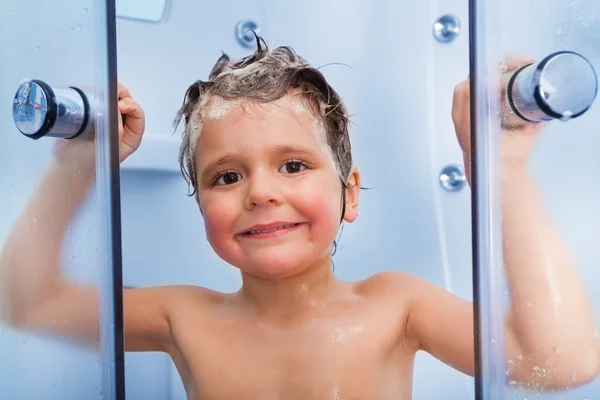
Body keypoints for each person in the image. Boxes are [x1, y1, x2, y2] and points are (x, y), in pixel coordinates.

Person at [1, 37, 598, 399]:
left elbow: (562, 361)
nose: (260, 193)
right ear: (200, 204)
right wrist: (78, 164)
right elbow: (25, 303)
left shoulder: (396, 307)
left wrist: (504, 171)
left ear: (350, 195)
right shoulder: (181, 316)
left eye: (292, 164)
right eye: (226, 177)